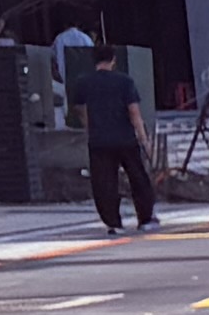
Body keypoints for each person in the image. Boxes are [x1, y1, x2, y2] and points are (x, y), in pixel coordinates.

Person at [62, 35, 160, 232]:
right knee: (138, 177)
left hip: (99, 139)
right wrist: (144, 139)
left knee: (104, 182)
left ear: (94, 60)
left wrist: (89, 125)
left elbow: (79, 108)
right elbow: (134, 112)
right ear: (113, 60)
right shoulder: (124, 82)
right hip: (125, 138)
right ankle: (145, 218)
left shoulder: (84, 82)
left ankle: (113, 222)